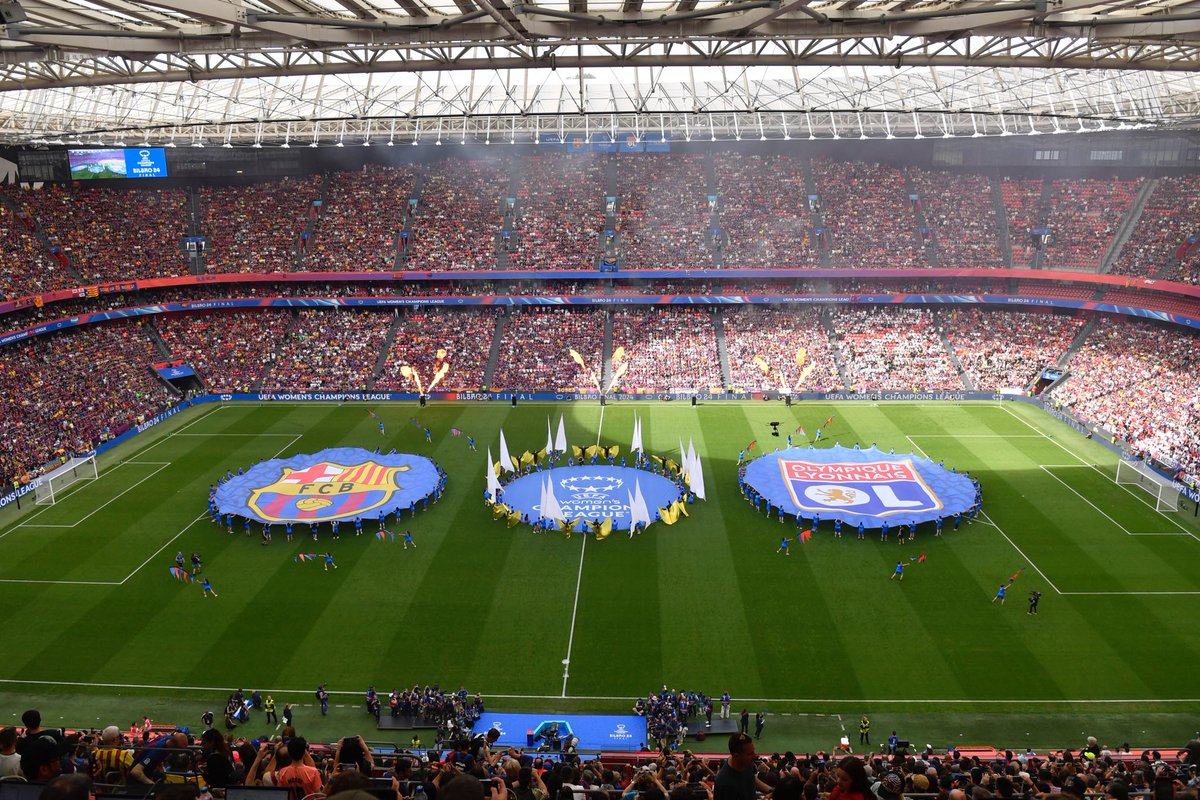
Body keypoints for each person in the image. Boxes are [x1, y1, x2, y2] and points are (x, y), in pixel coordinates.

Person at [714, 733, 767, 800]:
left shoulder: (746, 762)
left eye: (753, 751)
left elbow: (751, 778)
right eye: (750, 753)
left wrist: (771, 791)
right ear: (736, 756)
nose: (755, 755)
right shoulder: (725, 784)